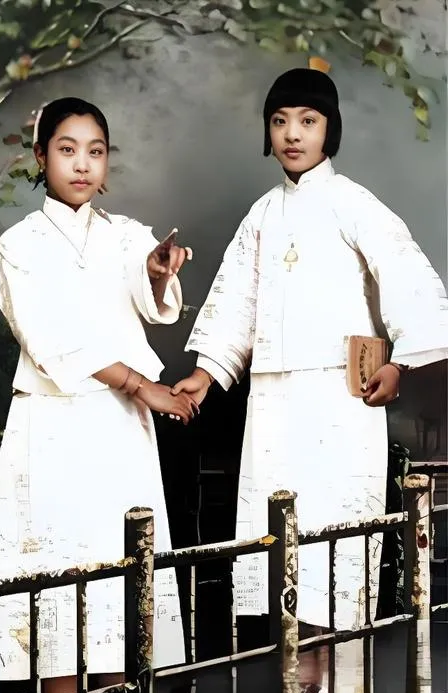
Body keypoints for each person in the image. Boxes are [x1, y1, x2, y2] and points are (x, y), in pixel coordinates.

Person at [172, 67, 448, 692]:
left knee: (334, 559)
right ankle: (297, 683)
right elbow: (236, 304)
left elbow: (410, 283)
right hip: (273, 408)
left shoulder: (354, 203)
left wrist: (399, 364)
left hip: (339, 407)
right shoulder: (262, 214)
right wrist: (206, 374)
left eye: (308, 120)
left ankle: (338, 683)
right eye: (280, 121)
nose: (292, 134)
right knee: (279, 561)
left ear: (330, 129)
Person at [0, 97, 193, 693]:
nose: (82, 164)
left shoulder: (127, 236)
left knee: (119, 583)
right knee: (58, 579)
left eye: (95, 151)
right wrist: (143, 386)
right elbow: (51, 339)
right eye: (67, 149)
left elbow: (152, 300)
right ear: (40, 157)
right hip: (50, 429)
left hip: (118, 430)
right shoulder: (19, 245)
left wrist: (157, 272)